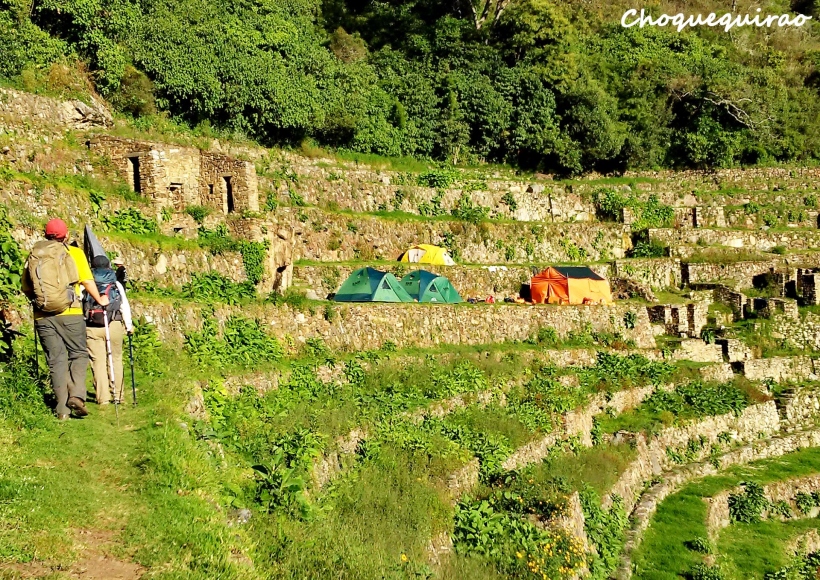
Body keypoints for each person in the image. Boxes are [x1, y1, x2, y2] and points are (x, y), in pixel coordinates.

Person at [22, 219, 109, 420]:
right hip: (70, 312)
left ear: (46, 234)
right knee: (78, 353)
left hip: (43, 316)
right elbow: (86, 280)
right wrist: (100, 299)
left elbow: (26, 287)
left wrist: (41, 304)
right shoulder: (73, 253)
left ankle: (62, 410)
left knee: (56, 360)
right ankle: (77, 395)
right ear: (65, 235)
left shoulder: (34, 255)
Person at [84, 256, 133, 405]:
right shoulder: (116, 284)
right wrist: (129, 326)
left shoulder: (86, 284)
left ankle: (103, 398)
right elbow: (124, 305)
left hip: (92, 326)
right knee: (116, 359)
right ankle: (118, 395)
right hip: (114, 324)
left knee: (97, 361)